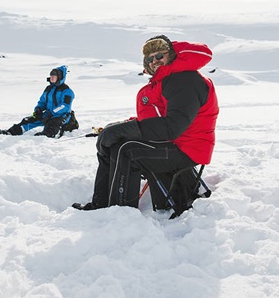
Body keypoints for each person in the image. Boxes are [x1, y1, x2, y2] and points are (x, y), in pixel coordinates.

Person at [73, 35, 219, 214]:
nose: (154, 61)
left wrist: (128, 130)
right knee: (114, 144)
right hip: (173, 143)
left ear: (171, 54)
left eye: (159, 56)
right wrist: (122, 127)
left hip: (187, 148)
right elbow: (156, 117)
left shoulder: (185, 80)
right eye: (150, 59)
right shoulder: (168, 79)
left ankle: (120, 213)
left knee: (127, 151)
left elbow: (173, 127)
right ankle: (101, 204)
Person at [0, 65, 76, 138]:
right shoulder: (48, 89)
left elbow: (64, 106)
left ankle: (46, 136)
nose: (51, 78)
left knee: (52, 124)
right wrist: (38, 109)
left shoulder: (67, 91)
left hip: (62, 115)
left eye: (54, 77)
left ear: (60, 77)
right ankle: (10, 132)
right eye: (51, 76)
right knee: (28, 120)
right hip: (48, 113)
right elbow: (42, 101)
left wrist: (52, 113)